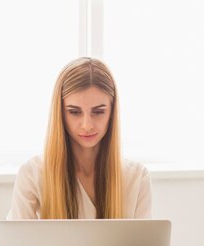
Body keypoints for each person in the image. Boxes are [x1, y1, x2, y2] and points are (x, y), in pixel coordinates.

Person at [8, 57, 151, 219]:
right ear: (60, 113)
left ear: (112, 112)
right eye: (74, 112)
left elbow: (144, 244)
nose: (87, 125)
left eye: (98, 112)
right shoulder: (32, 174)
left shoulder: (137, 177)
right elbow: (17, 242)